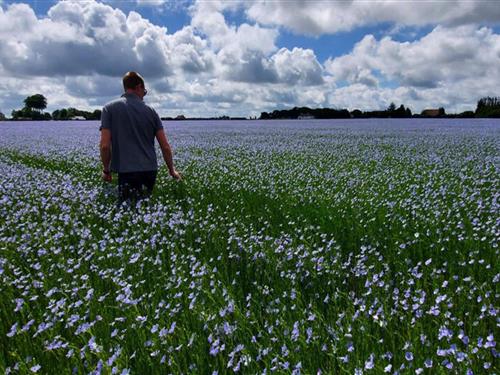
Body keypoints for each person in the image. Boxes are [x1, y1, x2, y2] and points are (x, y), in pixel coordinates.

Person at [99, 71, 181, 204]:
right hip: (150, 170)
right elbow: (165, 146)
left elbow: (104, 145)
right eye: (144, 91)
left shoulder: (109, 109)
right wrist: (172, 170)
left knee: (128, 214)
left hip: (126, 171)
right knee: (145, 212)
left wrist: (106, 170)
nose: (144, 96)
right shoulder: (152, 111)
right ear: (138, 87)